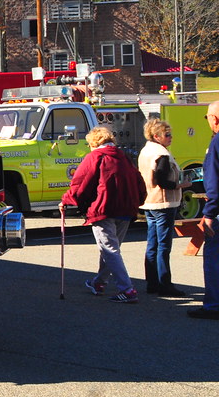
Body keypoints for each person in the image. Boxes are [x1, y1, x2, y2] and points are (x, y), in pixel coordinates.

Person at [60, 125, 146, 303]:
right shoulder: (124, 157)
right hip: (126, 208)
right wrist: (139, 200)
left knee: (109, 249)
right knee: (112, 249)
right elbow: (139, 181)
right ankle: (99, 282)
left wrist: (67, 200)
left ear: (93, 142)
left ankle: (127, 289)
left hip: (104, 208)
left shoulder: (94, 157)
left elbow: (81, 183)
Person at [138, 118, 192, 296]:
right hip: (163, 202)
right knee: (163, 246)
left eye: (171, 134)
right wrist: (180, 186)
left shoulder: (146, 150)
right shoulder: (161, 154)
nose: (171, 138)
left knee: (152, 244)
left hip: (150, 202)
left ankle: (152, 283)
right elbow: (162, 181)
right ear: (156, 136)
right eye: (167, 135)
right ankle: (164, 284)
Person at [188, 100, 219, 319]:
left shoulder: (216, 143)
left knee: (214, 258)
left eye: (207, 117)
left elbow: (214, 183)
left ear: (215, 119)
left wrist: (209, 214)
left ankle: (213, 305)